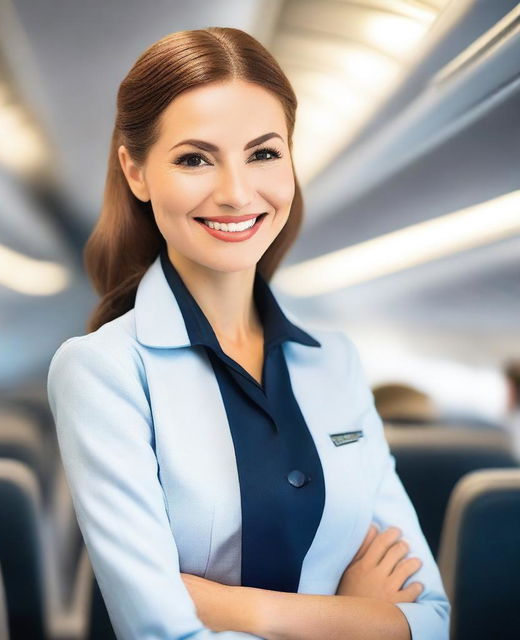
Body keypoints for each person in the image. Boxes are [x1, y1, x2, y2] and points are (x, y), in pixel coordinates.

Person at [47, 27, 450, 640]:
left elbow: (432, 620)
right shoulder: (102, 371)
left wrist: (237, 608)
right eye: (194, 159)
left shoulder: (335, 362)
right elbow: (161, 631)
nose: (236, 193)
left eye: (263, 153)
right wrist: (361, 620)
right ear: (137, 172)